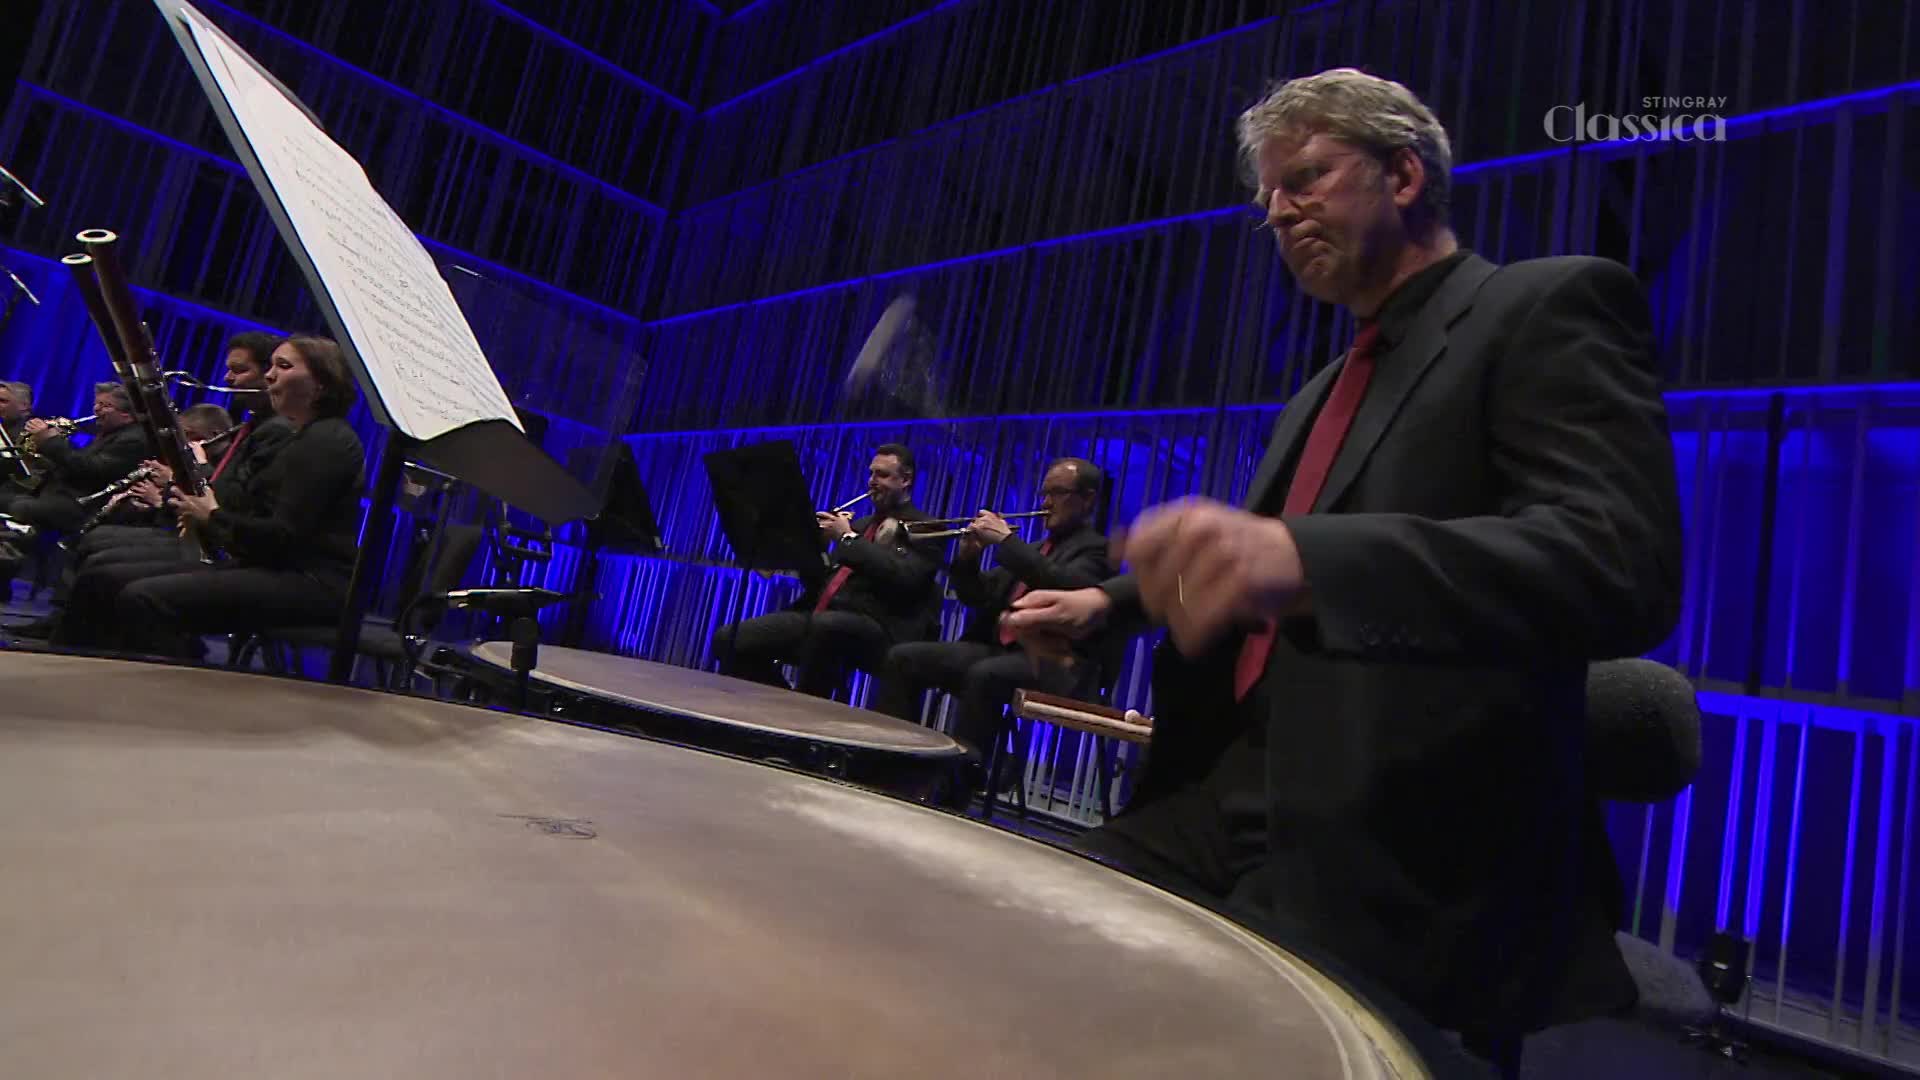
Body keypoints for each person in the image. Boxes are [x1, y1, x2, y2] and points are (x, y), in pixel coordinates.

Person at [1003, 68, 1684, 1050]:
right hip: (1227, 793)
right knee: (1017, 954)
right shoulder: (1321, 387)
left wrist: (1305, 557)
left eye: (1306, 178)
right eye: (1268, 195)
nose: (1277, 212)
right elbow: (1260, 556)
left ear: (1402, 175)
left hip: (1405, 840)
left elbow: (1618, 562)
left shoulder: (1544, 305)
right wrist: (1107, 607)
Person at [53, 336, 365, 658]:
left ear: (322, 384)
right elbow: (251, 507)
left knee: (143, 597)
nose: (270, 376)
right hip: (274, 566)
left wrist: (211, 515)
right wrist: (197, 504)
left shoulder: (324, 442)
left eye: (283, 367)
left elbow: (283, 535)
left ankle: (181, 680)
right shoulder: (305, 435)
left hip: (310, 582)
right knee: (107, 577)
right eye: (271, 365)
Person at [873, 458, 1114, 783]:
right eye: (1044, 493)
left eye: (1057, 493)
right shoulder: (1036, 549)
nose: (1046, 502)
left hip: (1057, 663)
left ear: (1087, 499)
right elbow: (979, 596)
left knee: (985, 675)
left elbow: (1062, 583)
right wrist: (968, 559)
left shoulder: (1098, 552)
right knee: (903, 658)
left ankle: (955, 785)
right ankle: (888, 768)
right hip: (1003, 652)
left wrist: (1005, 542)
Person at [710, 443, 941, 699]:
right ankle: (784, 704)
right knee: (729, 640)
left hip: (881, 627)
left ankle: (806, 711)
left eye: (883, 475)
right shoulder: (861, 525)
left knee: (827, 627)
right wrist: (811, 547)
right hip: (826, 618)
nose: (872, 481)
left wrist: (848, 539)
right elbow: (823, 585)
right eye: (871, 473)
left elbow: (906, 579)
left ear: (906, 480)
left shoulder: (925, 528)